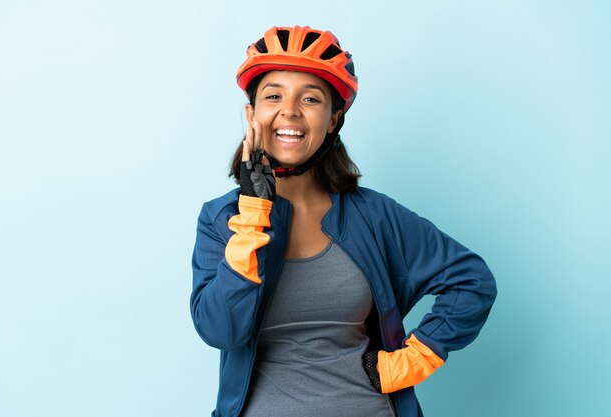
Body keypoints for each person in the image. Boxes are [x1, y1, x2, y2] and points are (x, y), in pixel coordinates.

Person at [190, 25, 497, 417]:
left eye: (311, 98)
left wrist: (411, 360)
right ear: (252, 114)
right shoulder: (220, 220)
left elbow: (472, 281)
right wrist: (253, 215)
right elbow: (221, 330)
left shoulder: (375, 216)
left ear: (333, 119)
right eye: (273, 96)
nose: (290, 111)